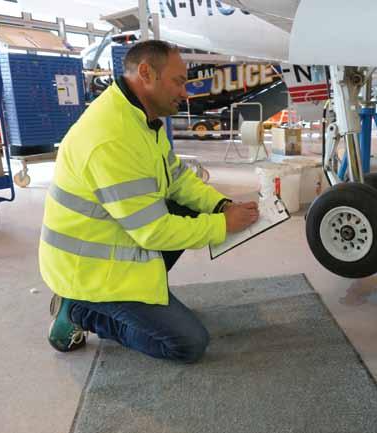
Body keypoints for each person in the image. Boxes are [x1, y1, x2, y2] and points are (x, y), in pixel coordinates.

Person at [40, 40, 259, 363]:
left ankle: (134, 302)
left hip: (111, 244)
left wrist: (220, 206)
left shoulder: (142, 120)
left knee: (189, 207)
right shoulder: (112, 137)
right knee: (188, 343)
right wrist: (222, 225)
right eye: (179, 81)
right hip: (88, 271)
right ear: (146, 73)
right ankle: (80, 312)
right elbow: (153, 232)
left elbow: (178, 179)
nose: (185, 93)